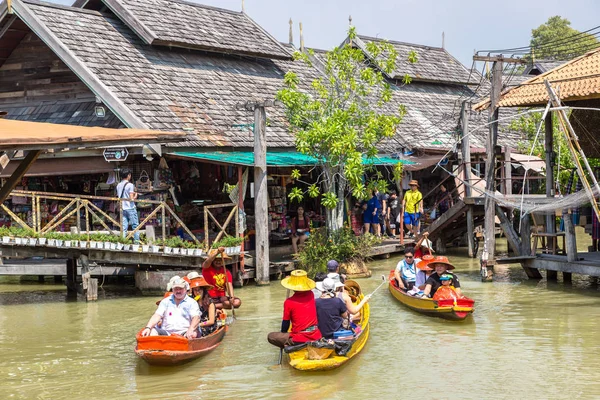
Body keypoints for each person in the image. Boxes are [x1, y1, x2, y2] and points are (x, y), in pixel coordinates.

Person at [267, 270, 322, 349]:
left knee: (271, 336)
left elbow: (285, 323)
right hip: (315, 335)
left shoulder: (289, 302)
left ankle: (292, 345)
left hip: (300, 338)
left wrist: (283, 334)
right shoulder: (311, 294)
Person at [116, 168, 139, 243]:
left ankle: (122, 242)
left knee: (123, 227)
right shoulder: (130, 185)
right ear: (128, 175)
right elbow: (131, 199)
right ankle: (136, 243)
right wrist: (136, 195)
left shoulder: (118, 185)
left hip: (122, 208)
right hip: (130, 208)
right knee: (135, 226)